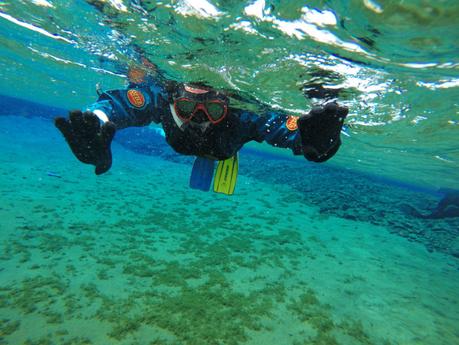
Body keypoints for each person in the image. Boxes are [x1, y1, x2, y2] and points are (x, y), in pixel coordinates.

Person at [55, 64, 348, 194]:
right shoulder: (162, 97)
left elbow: (289, 132)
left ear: (227, 106)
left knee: (221, 146)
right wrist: (99, 121)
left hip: (223, 150)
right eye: (187, 107)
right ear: (175, 99)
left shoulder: (243, 116)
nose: (199, 117)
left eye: (214, 109)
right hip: (212, 148)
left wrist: (319, 145)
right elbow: (126, 104)